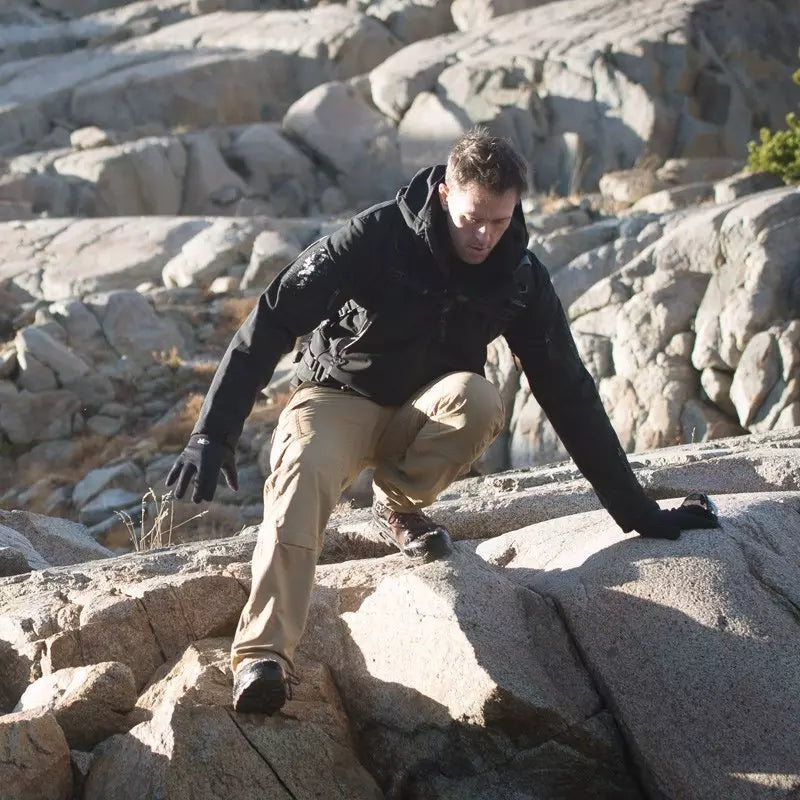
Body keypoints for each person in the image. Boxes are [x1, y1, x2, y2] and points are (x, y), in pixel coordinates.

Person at [166, 127, 719, 715]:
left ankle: (396, 505)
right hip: (338, 396)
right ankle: (264, 658)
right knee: (302, 475)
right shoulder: (374, 237)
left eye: (500, 222)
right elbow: (274, 317)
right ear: (444, 194)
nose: (484, 236)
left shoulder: (519, 276)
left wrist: (635, 512)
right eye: (473, 219)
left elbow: (568, 391)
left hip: (423, 412)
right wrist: (214, 430)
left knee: (478, 400)